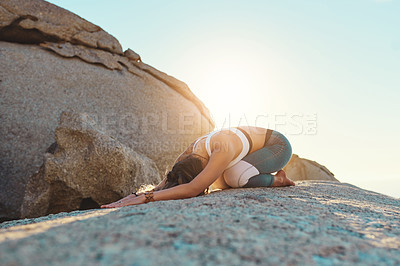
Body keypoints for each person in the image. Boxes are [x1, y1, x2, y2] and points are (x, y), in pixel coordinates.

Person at [101, 126, 295, 208]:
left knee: (234, 178)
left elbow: (192, 189)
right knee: (223, 181)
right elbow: (168, 181)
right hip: (252, 151)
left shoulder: (222, 148)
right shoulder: (190, 151)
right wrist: (137, 195)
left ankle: (279, 179)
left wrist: (147, 199)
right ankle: (259, 171)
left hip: (277, 146)